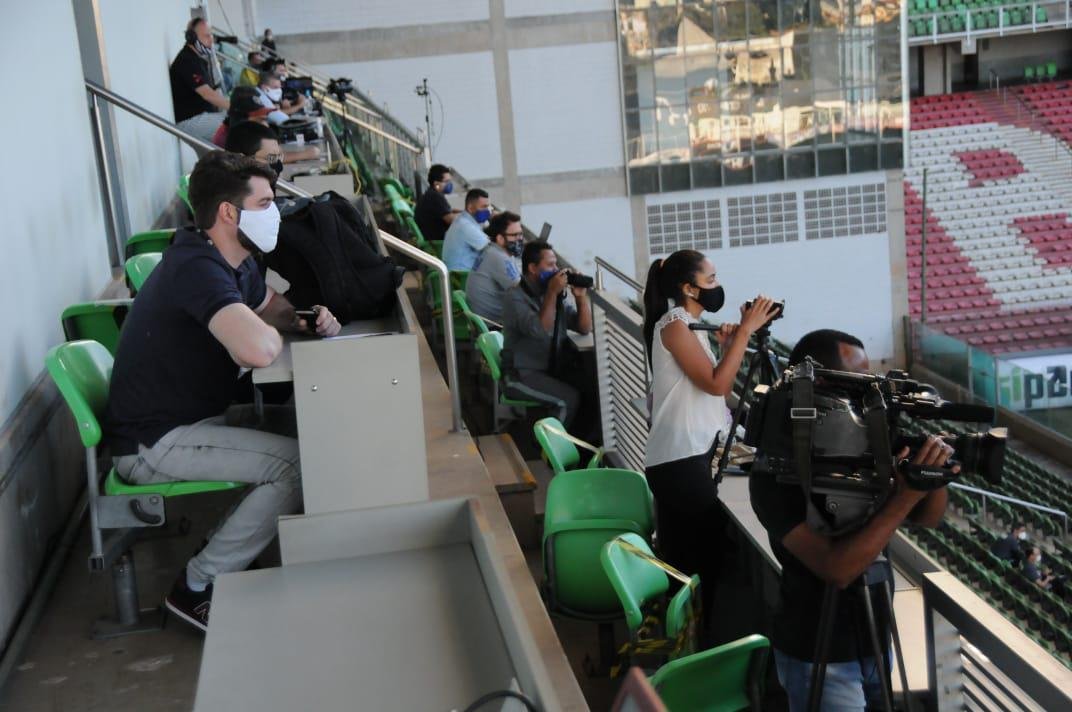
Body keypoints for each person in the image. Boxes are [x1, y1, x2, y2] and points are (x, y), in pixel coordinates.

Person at [105, 151, 342, 632]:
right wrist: (265, 330)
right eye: (266, 202)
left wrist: (306, 318)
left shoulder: (233, 259)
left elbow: (270, 309)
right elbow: (257, 349)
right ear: (230, 213)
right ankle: (198, 586)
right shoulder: (196, 266)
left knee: (313, 432)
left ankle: (227, 552)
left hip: (189, 421)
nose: (274, 212)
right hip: (155, 441)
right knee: (294, 465)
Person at [750, 329, 953, 712]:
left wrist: (930, 472)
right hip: (819, 653)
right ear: (820, 384)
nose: (868, 392)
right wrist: (903, 495)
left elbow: (929, 517)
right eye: (858, 381)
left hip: (874, 637)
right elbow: (837, 567)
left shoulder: (866, 446)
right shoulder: (775, 472)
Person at [641, 250, 779, 637]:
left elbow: (708, 388)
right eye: (711, 280)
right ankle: (700, 648)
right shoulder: (673, 325)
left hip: (686, 457)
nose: (717, 287)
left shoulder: (686, 325)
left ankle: (690, 644)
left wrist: (725, 346)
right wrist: (747, 333)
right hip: (679, 462)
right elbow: (717, 384)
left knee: (692, 563)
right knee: (704, 567)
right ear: (688, 288)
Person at [501, 241, 593, 433]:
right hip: (520, 374)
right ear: (533, 268)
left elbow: (584, 328)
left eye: (556, 264)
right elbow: (541, 329)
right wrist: (552, 292)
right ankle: (549, 453)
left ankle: (581, 449)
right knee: (567, 400)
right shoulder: (514, 297)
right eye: (550, 265)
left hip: (549, 368)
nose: (556, 270)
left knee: (591, 390)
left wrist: (580, 297)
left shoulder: (548, 294)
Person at [170, 18, 229, 141]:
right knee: (236, 122)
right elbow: (208, 95)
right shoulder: (187, 60)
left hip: (202, 119)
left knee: (213, 158)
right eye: (207, 36)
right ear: (191, 37)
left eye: (211, 36)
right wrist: (237, 107)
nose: (211, 40)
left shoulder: (197, 59)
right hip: (190, 121)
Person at [465, 211, 523, 326]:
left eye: (521, 234)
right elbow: (523, 293)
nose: (520, 239)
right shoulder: (498, 258)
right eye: (515, 235)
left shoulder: (491, 250)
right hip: (495, 326)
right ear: (500, 238)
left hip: (485, 321)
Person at [442, 188, 492, 271]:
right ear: (470, 208)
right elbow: (491, 248)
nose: (487, 211)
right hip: (463, 277)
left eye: (488, 207)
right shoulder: (465, 225)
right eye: (484, 207)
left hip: (457, 275)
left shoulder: (464, 220)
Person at [414, 164, 459, 244]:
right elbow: (452, 220)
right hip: (438, 242)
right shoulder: (435, 197)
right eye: (447, 181)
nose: (450, 184)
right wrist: (470, 215)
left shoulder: (431, 194)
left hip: (433, 238)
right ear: (436, 184)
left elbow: (446, 211)